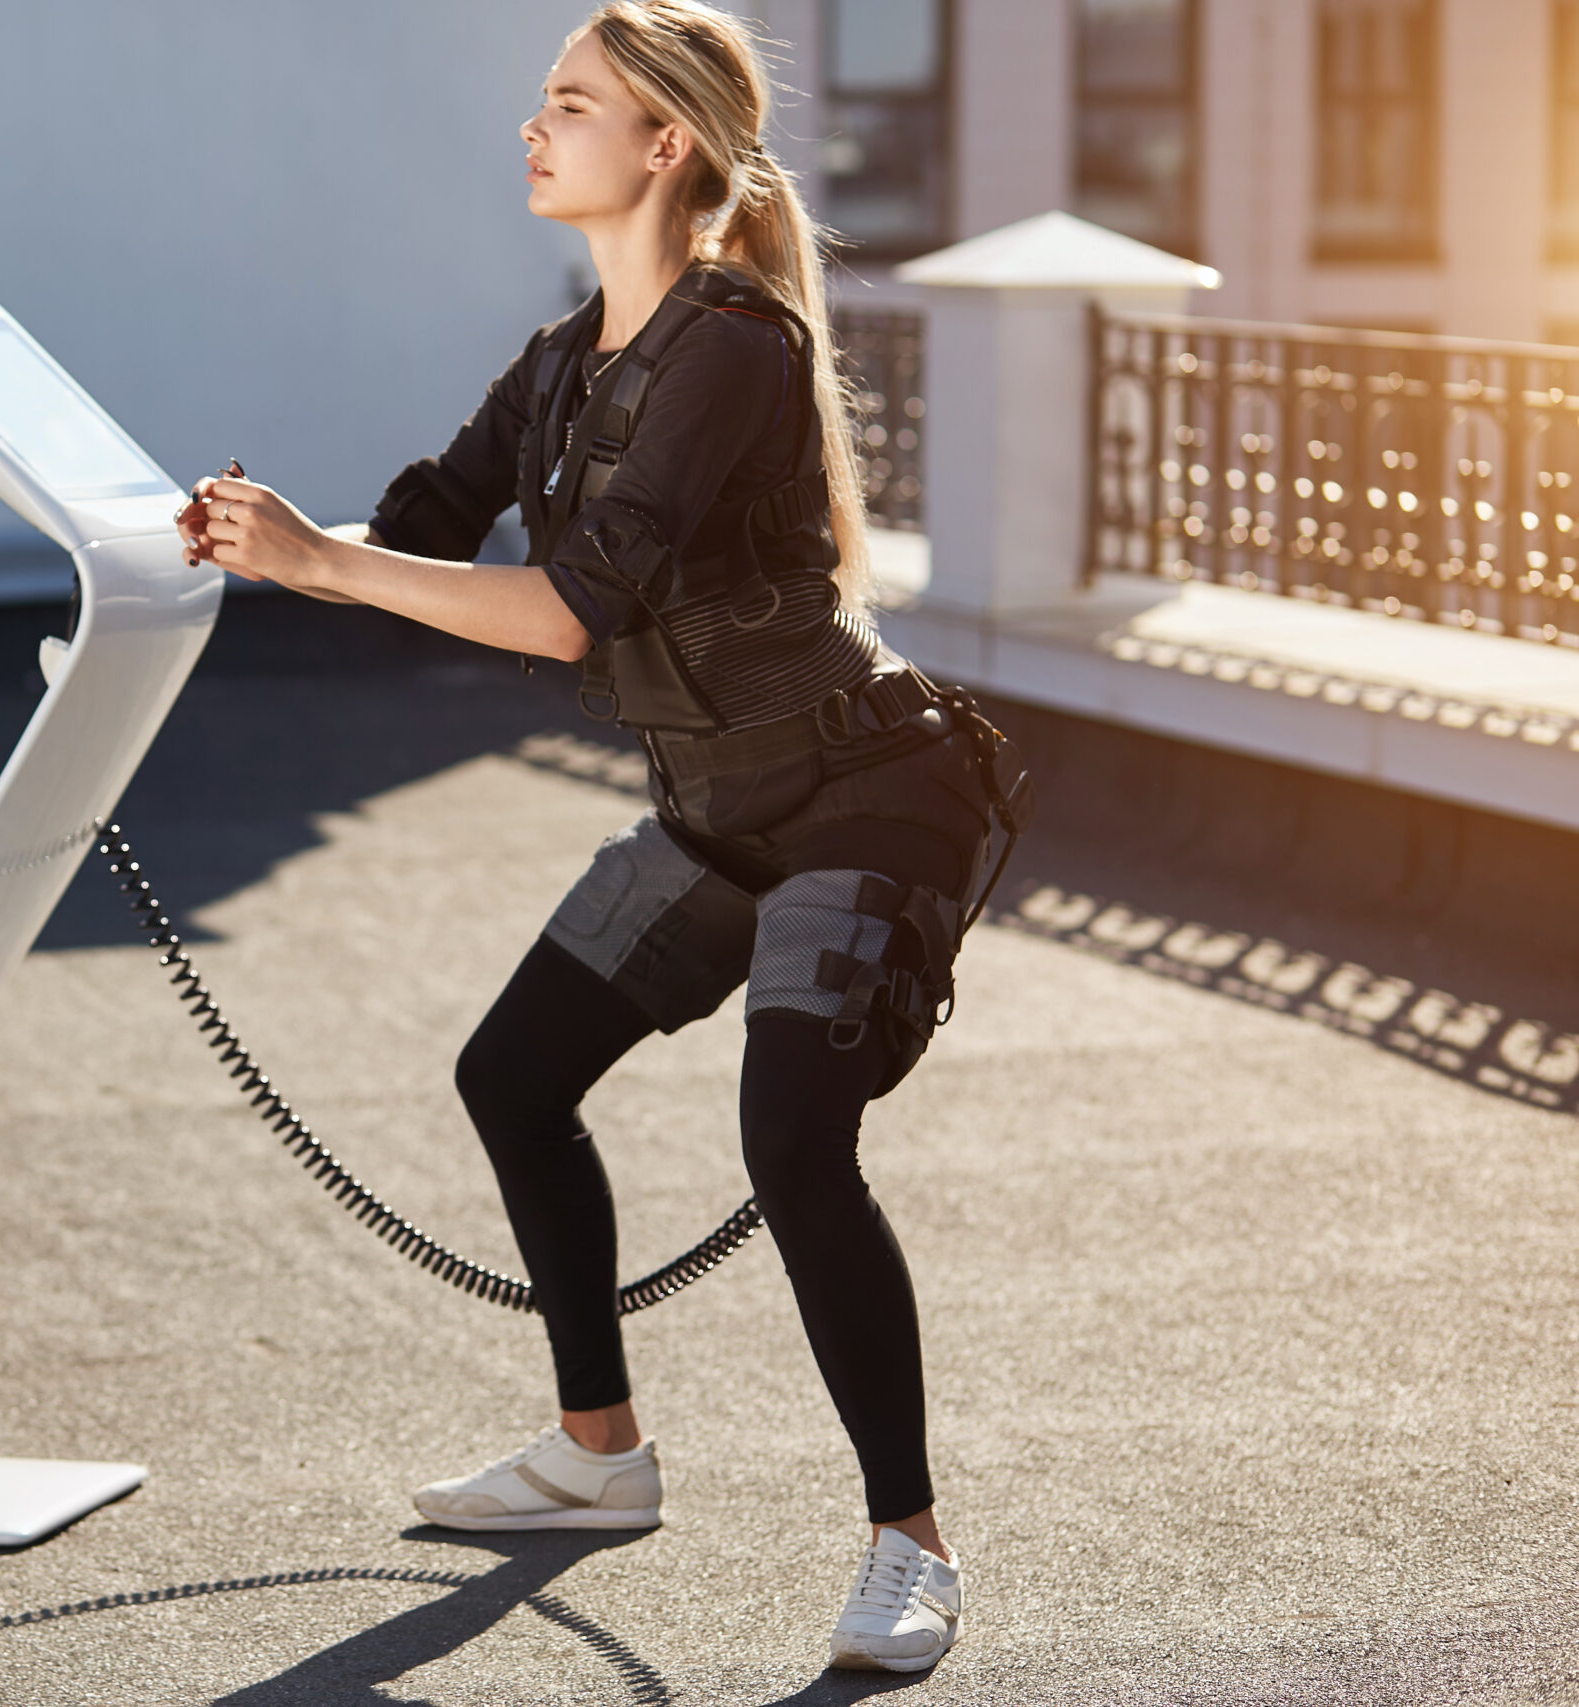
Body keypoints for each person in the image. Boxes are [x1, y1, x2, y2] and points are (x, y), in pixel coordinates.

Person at [175, 1, 1022, 1676]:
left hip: (871, 795)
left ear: (665, 145)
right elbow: (418, 522)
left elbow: (570, 614)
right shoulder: (569, 360)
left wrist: (326, 564)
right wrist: (226, 543)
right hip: (720, 807)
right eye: (541, 101)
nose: (530, 127)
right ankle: (598, 1454)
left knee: (792, 1133)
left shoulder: (735, 348)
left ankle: (908, 1546)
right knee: (515, 1073)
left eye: (569, 104)